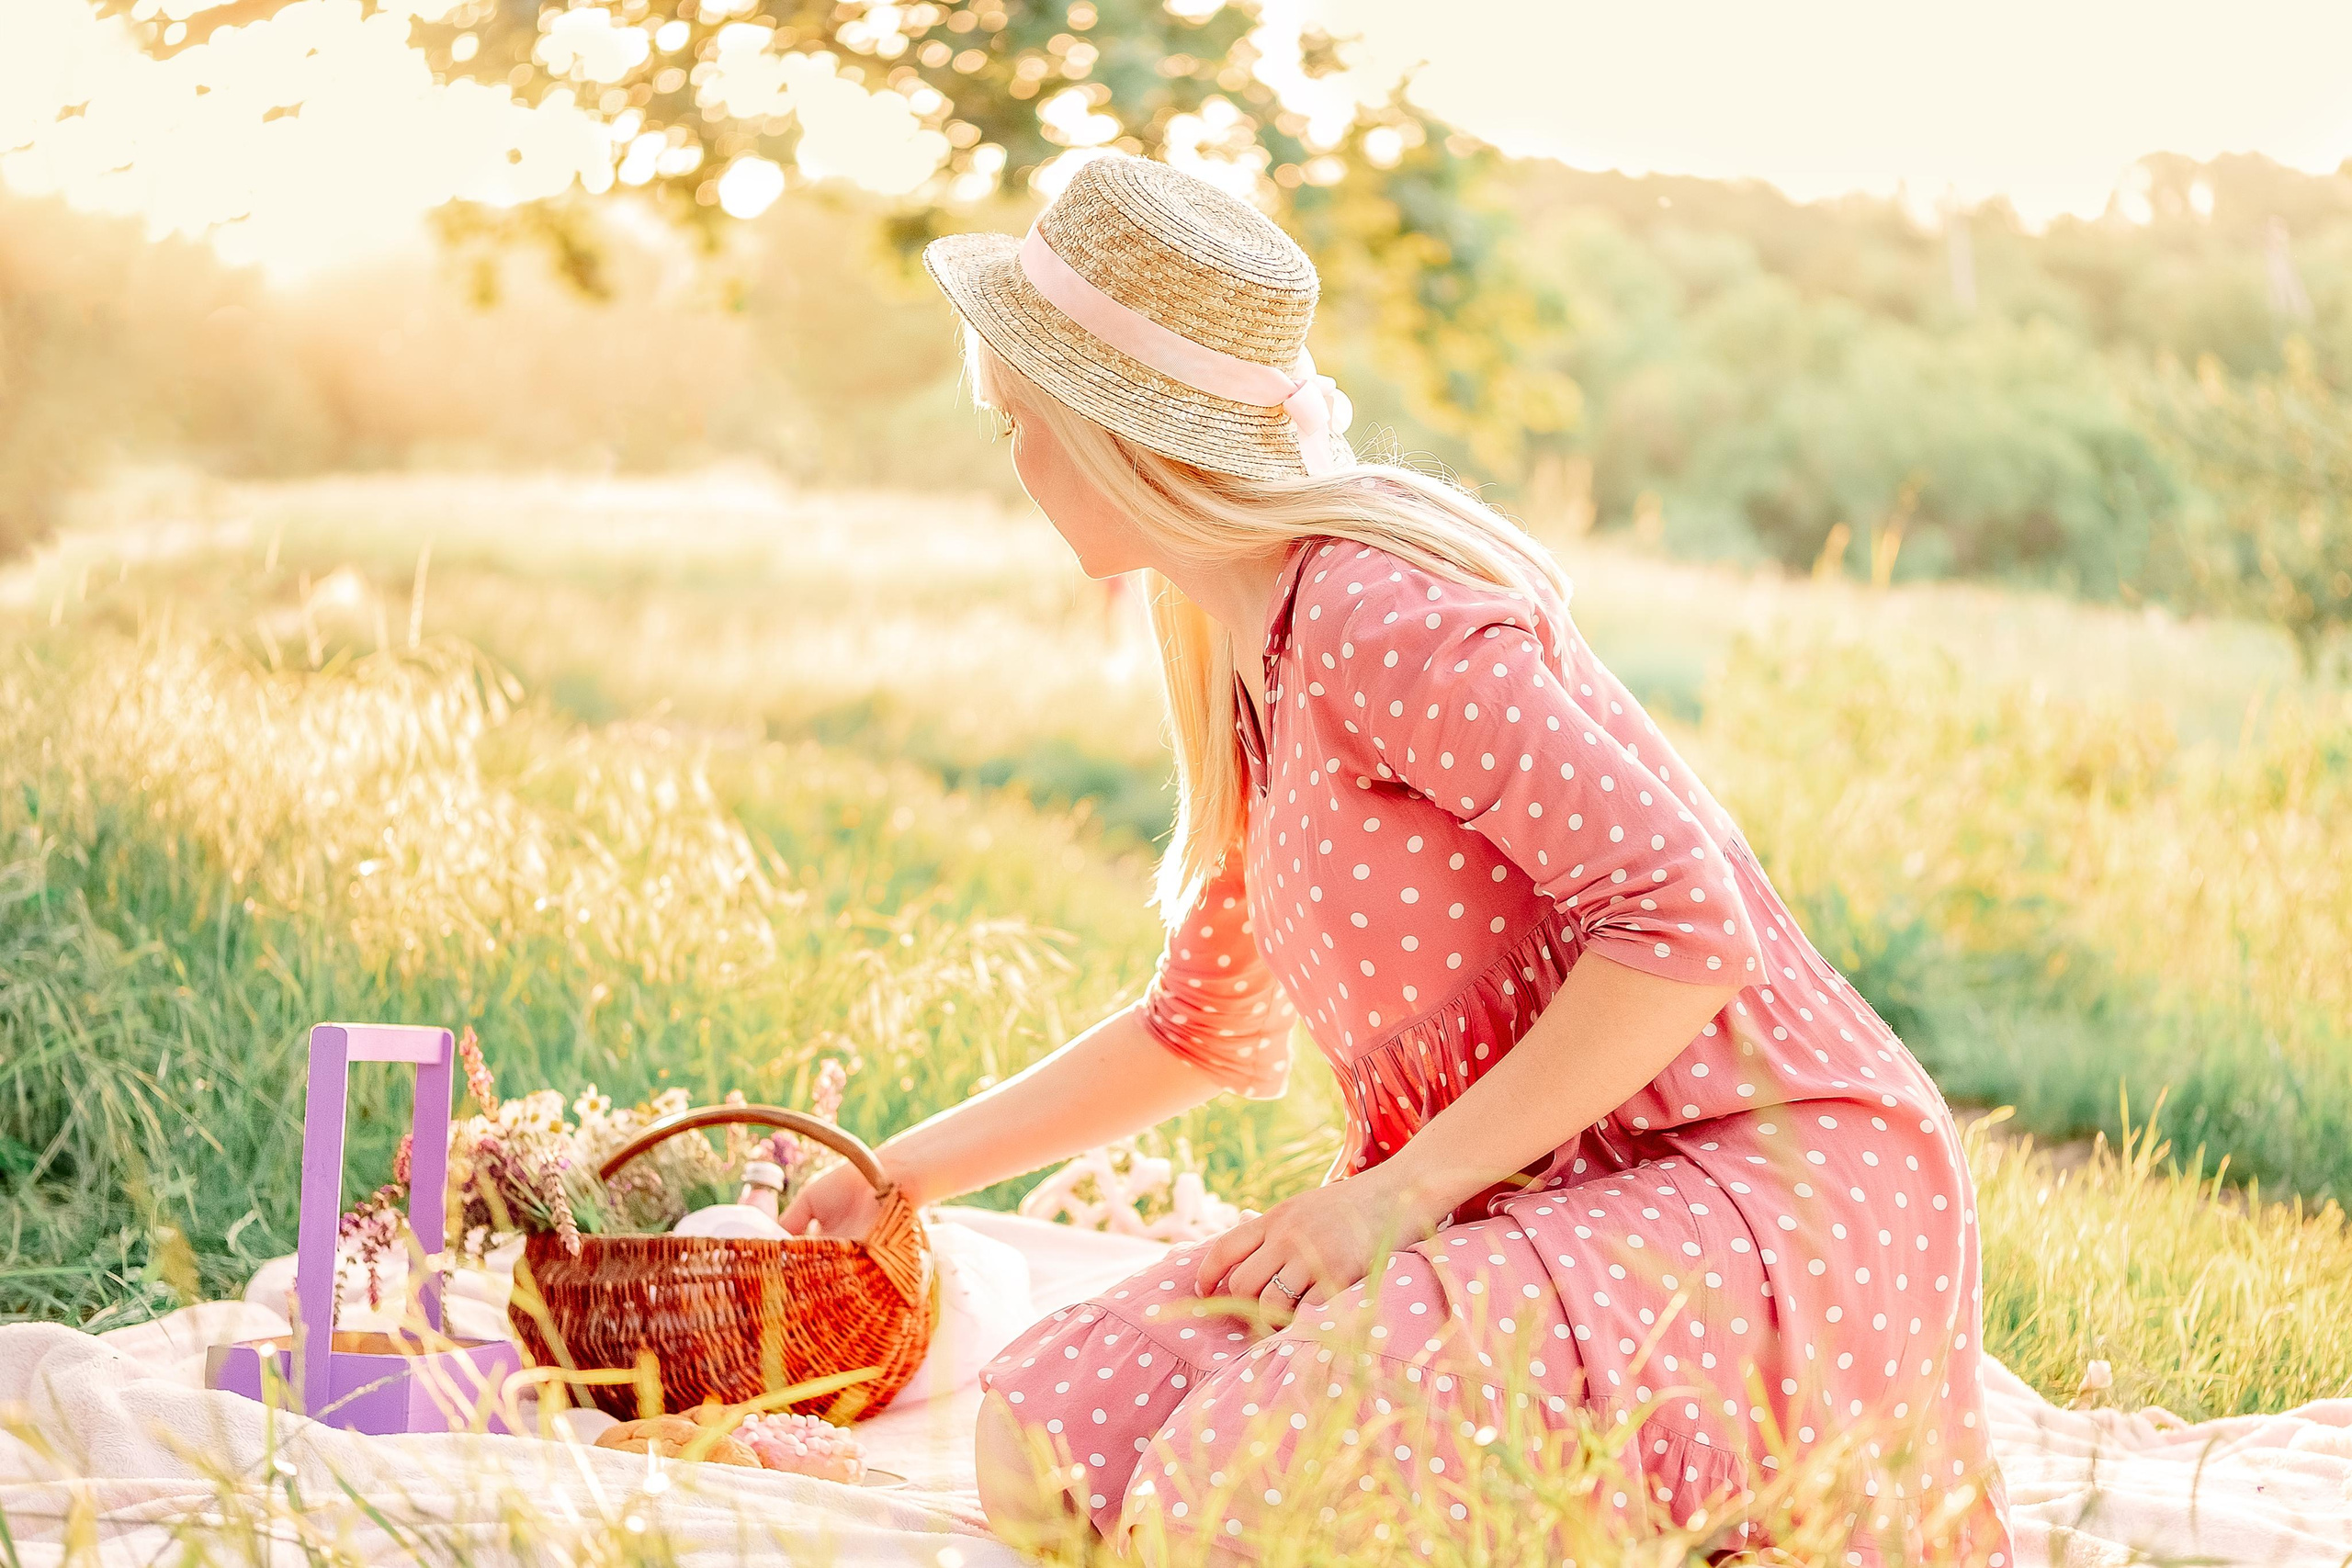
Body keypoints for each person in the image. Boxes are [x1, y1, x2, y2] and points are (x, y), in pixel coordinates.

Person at [782, 153, 2011, 1567]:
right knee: (1042, 1449)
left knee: (1230, 1507)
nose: (1016, 460)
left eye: (1020, 420)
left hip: (1761, 1194)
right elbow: (1204, 1029)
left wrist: (1394, 1198)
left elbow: (1686, 921)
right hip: (1538, 1192)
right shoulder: (1242, 651)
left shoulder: (1379, 612)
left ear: (1111, 431)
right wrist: (897, 1175)